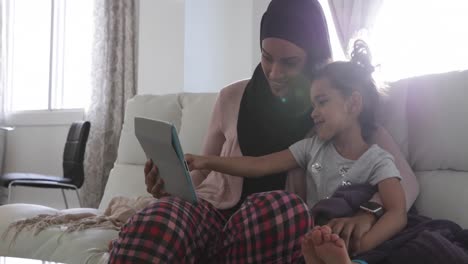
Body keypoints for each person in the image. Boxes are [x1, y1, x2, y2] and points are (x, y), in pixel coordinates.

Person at [109, 0, 419, 262]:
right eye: (266, 57)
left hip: (270, 226)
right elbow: (201, 175)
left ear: (313, 57)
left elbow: (406, 181)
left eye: (290, 63)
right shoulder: (230, 97)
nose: (274, 73)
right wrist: (168, 187)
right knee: (160, 217)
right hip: (210, 213)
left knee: (286, 211)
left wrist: (367, 214)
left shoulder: (332, 110)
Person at [185, 40, 408, 264]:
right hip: (313, 243)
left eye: (322, 102)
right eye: (312, 105)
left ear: (353, 103)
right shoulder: (311, 147)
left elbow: (397, 212)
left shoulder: (377, 159)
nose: (313, 113)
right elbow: (259, 165)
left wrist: (360, 246)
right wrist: (206, 162)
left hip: (356, 245)